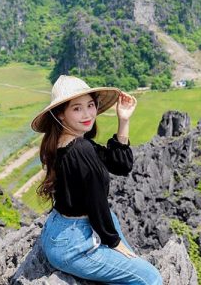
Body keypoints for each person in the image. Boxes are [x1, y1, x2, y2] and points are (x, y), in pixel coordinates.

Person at [31, 75, 162, 284]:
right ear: (61, 115)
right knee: (151, 278)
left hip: (61, 230)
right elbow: (96, 199)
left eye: (90, 105)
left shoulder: (72, 142)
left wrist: (124, 120)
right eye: (77, 108)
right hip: (73, 243)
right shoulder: (80, 150)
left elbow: (121, 165)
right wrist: (112, 240)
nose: (87, 114)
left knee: (118, 232)